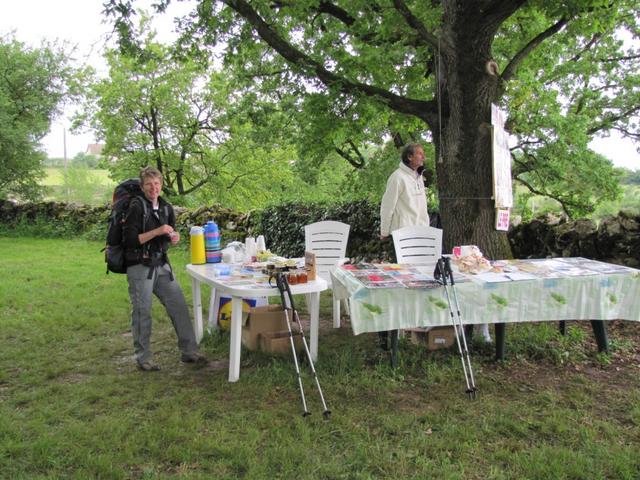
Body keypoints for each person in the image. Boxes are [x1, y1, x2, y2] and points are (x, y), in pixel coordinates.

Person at [123, 166, 206, 371]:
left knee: (178, 305)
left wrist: (173, 237)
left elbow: (169, 236)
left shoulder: (166, 207)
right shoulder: (136, 207)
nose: (154, 188)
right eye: (149, 184)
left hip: (161, 265)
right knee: (143, 312)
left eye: (157, 184)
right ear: (142, 187)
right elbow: (131, 240)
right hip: (139, 266)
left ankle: (190, 352)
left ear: (161, 185)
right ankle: (143, 358)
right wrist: (158, 230)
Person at [379, 143, 429, 240]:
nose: (423, 157)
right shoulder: (397, 177)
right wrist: (384, 232)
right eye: (420, 154)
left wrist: (426, 228)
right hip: (403, 235)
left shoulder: (419, 177)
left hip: (421, 232)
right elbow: (387, 206)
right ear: (410, 157)